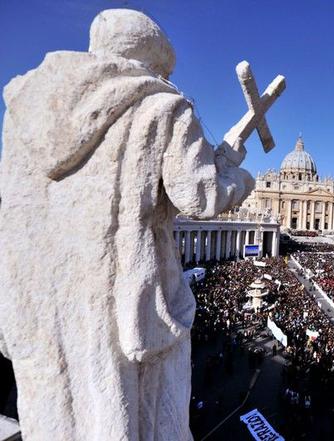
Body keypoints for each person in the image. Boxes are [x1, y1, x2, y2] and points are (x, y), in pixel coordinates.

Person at [0, 9, 254, 441]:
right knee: (124, 411)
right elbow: (199, 195)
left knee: (61, 404)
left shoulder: (23, 114)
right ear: (157, 61)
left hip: (40, 294)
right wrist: (235, 174)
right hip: (117, 296)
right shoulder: (163, 107)